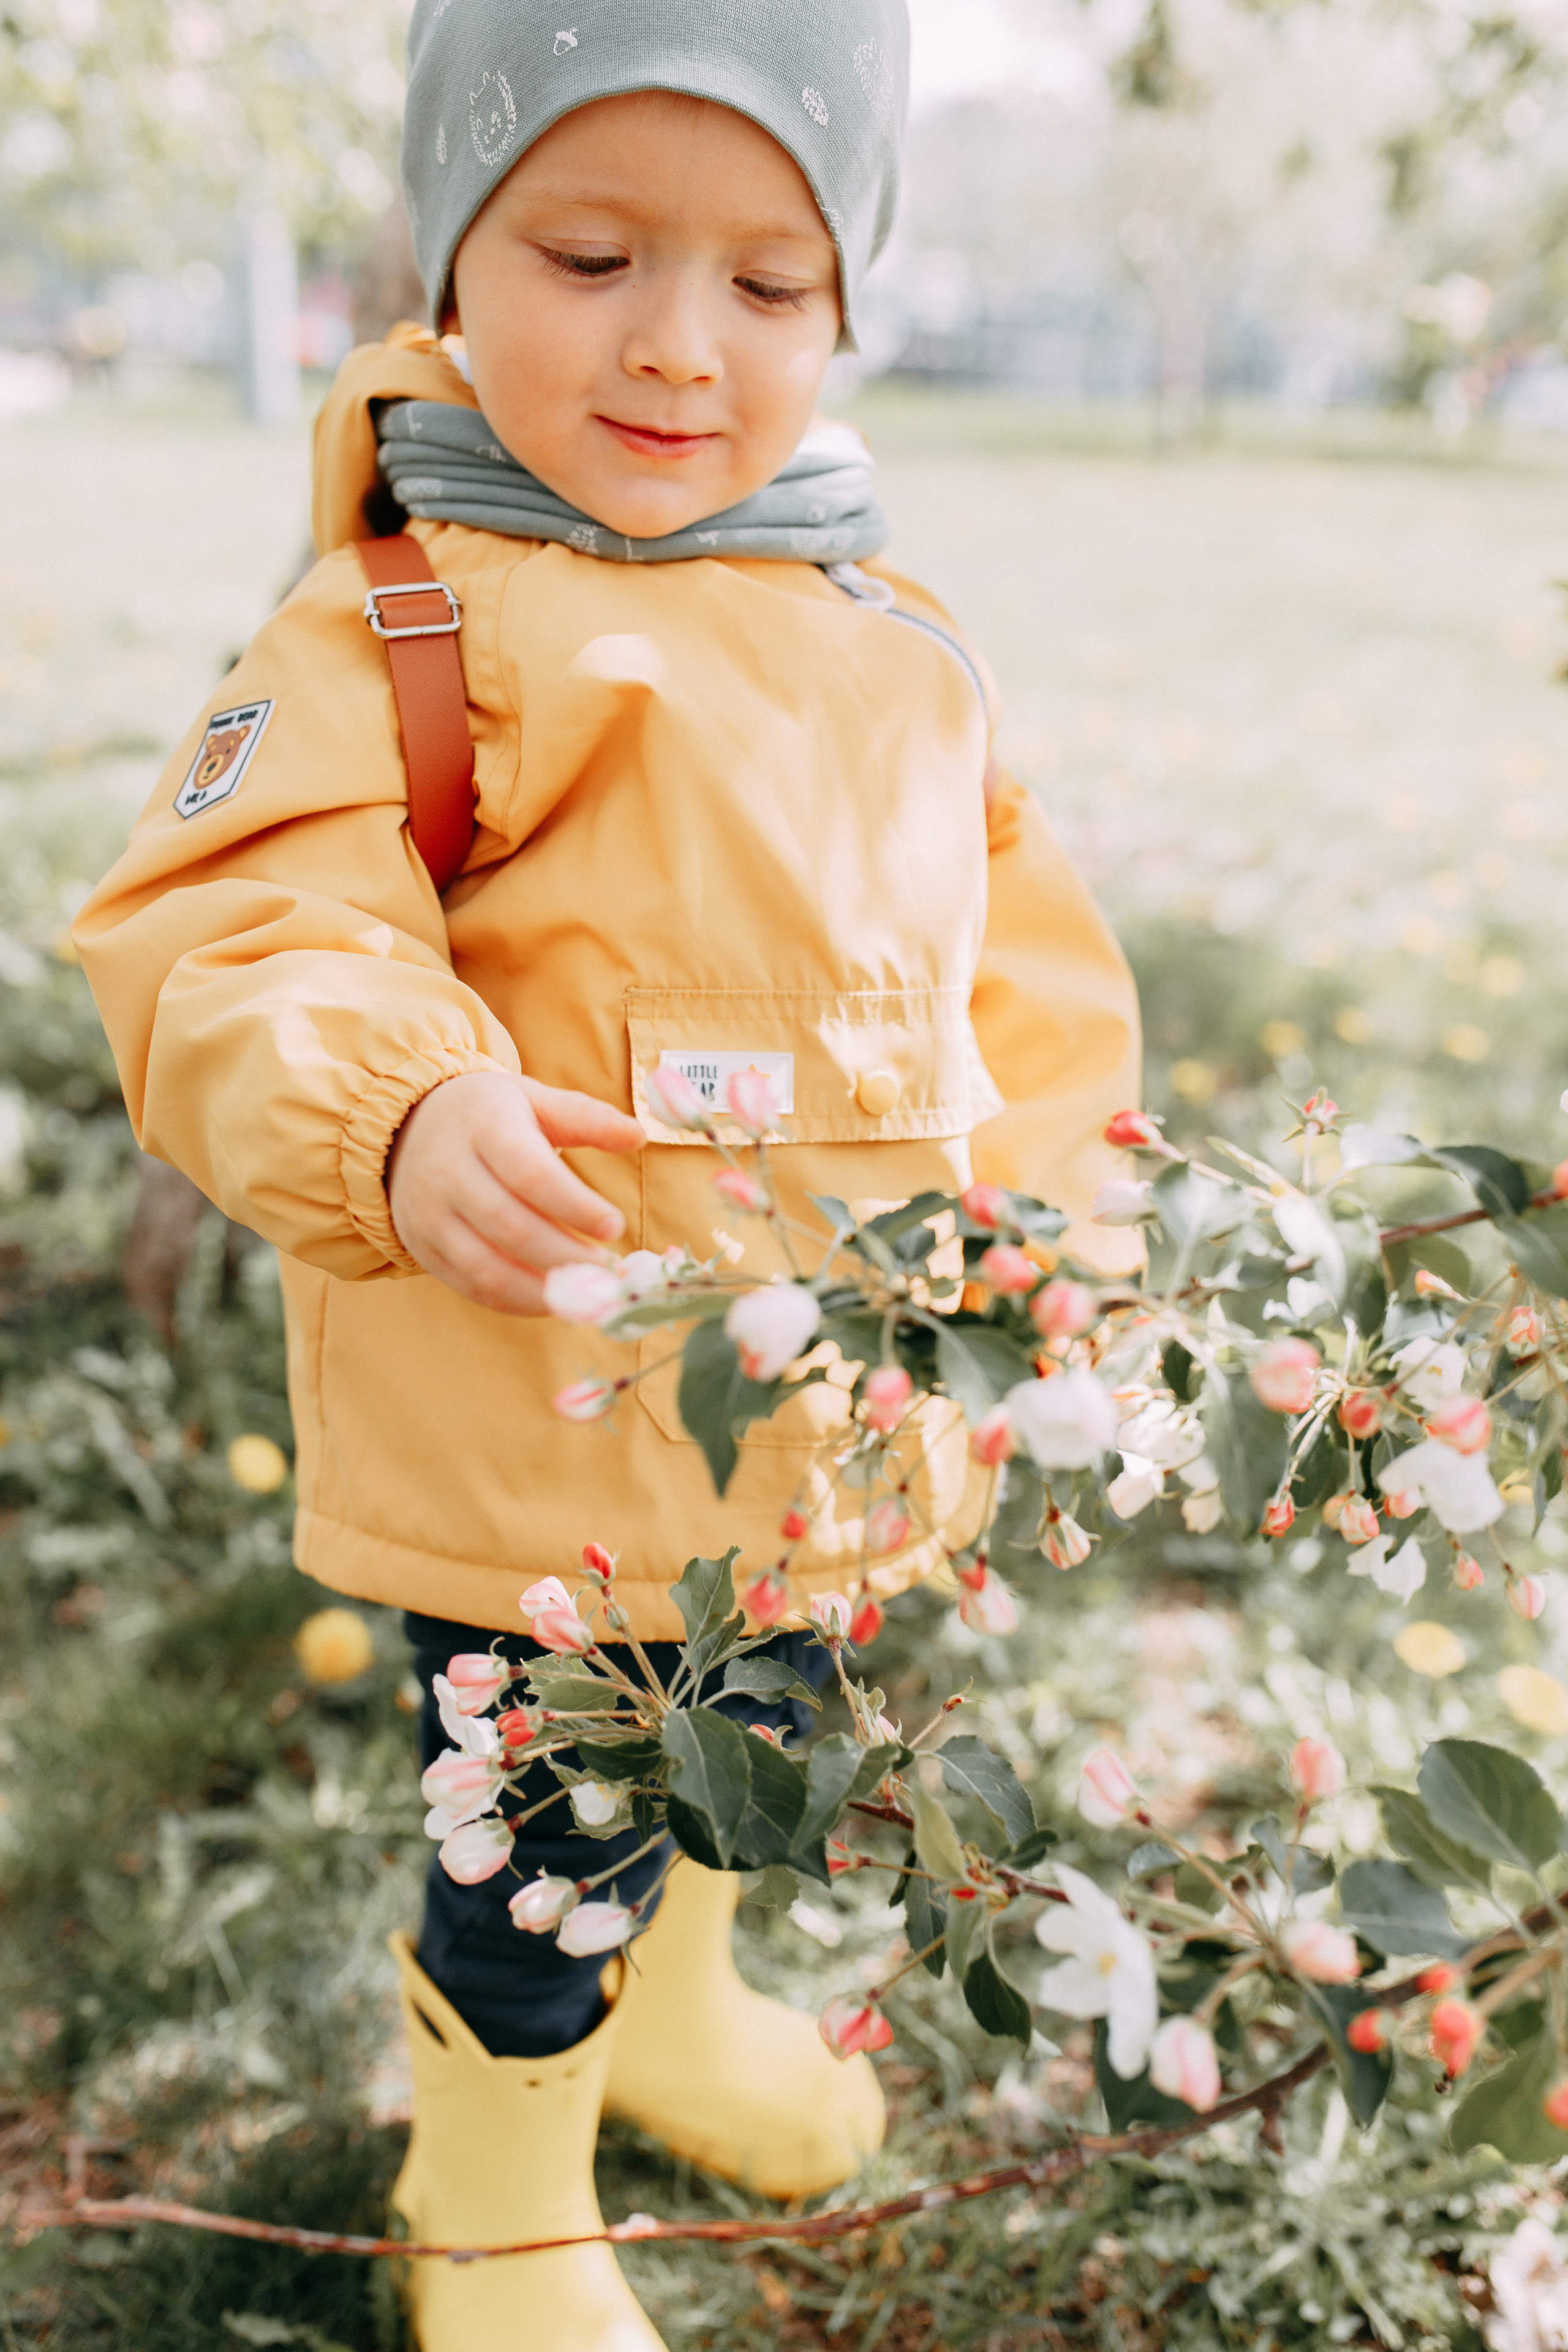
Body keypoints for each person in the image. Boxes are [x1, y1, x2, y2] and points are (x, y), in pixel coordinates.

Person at [75, 4, 1142, 2342]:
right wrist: (399, 1102)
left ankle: (686, 2007)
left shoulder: (894, 639)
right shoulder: (401, 625)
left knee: (753, 1754)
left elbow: (1029, 991)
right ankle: (497, 2185)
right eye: (589, 251)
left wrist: (1067, 1224)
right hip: (527, 1461)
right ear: (456, 255)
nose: (680, 345)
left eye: (771, 286)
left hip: (820, 1439)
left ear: (849, 306)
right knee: (541, 1846)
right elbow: (235, 928)